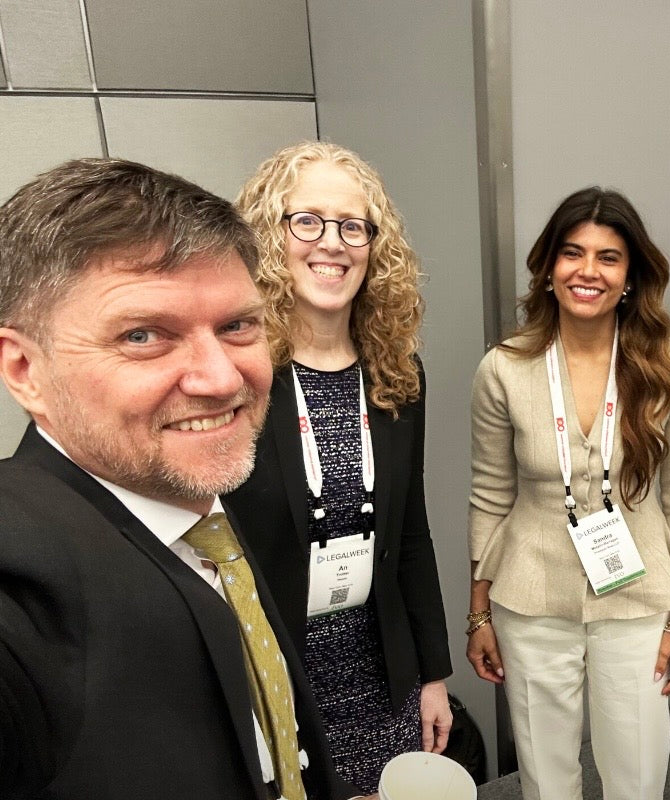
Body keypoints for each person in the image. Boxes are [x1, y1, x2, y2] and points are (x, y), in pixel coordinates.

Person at [0, 158, 365, 799]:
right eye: (144, 335)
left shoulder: (197, 510)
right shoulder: (23, 591)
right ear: (25, 368)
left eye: (237, 326)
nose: (222, 378)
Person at [224, 141, 453, 794]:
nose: (333, 243)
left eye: (353, 225)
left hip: (382, 672)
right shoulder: (237, 377)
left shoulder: (397, 376)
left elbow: (410, 533)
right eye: (308, 220)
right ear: (271, 234)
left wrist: (431, 674)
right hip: (274, 676)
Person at [466, 186, 670, 799]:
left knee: (636, 770)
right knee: (546, 775)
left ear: (630, 276)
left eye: (609, 257)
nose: (588, 271)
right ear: (549, 267)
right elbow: (490, 496)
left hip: (637, 593)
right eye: (573, 253)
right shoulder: (505, 367)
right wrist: (479, 612)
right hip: (529, 593)